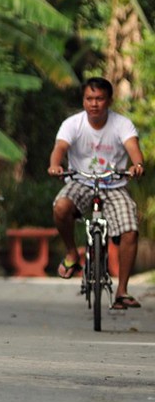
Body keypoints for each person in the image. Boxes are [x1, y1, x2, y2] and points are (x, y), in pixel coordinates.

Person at [48, 77, 145, 310]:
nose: (94, 104)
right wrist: (55, 165)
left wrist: (136, 165)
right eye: (89, 99)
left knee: (130, 230)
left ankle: (121, 291)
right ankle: (72, 253)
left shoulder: (122, 124)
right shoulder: (73, 124)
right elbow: (59, 148)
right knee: (61, 206)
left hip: (114, 185)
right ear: (83, 101)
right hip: (81, 181)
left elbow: (133, 149)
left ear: (109, 101)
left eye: (99, 99)